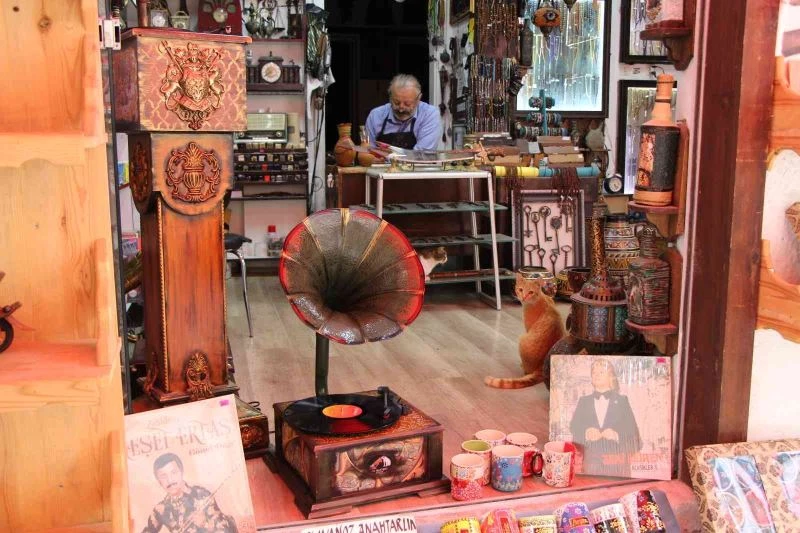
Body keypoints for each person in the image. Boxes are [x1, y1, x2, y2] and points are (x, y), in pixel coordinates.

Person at [568, 358, 642, 477]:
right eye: (594, 372)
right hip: (591, 465)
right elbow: (574, 427)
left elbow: (633, 432)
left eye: (601, 372)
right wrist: (586, 432)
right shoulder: (583, 401)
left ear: (610, 377)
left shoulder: (622, 401)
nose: (596, 375)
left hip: (618, 465)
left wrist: (616, 434)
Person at [141, 452, 238, 533]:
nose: (170, 480)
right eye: (163, 476)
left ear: (181, 472)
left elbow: (226, 529)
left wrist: (205, 524)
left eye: (173, 473)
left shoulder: (201, 495)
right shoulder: (160, 509)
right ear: (159, 482)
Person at [365, 74, 442, 150]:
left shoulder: (429, 114)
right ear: (390, 97)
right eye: (396, 102)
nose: (401, 109)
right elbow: (367, 150)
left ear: (418, 99)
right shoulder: (376, 115)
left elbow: (422, 153)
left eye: (407, 103)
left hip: (416, 159)